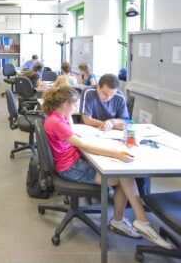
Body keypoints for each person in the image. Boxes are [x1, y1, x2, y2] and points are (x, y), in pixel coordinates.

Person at [42, 87, 171, 249]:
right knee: (123, 176)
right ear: (64, 104)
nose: (76, 108)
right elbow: (83, 145)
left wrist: (68, 114)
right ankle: (132, 220)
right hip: (70, 167)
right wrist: (116, 154)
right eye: (74, 105)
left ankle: (132, 220)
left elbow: (72, 130)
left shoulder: (58, 115)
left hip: (72, 161)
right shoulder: (56, 122)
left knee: (123, 174)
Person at [80, 74, 148, 195]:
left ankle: (137, 197)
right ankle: (122, 189)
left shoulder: (119, 95)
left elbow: (127, 124)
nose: (109, 98)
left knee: (132, 157)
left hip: (113, 137)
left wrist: (112, 122)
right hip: (94, 137)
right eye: (105, 93)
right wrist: (106, 124)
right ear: (98, 87)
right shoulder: (88, 92)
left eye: (112, 94)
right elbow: (87, 120)